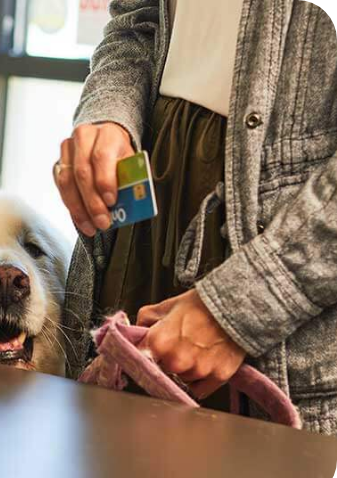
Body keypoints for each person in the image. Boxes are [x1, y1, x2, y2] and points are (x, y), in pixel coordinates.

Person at [55, 0, 337, 435]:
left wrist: (243, 305)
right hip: (147, 198)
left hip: (286, 251)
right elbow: (138, 21)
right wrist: (108, 113)